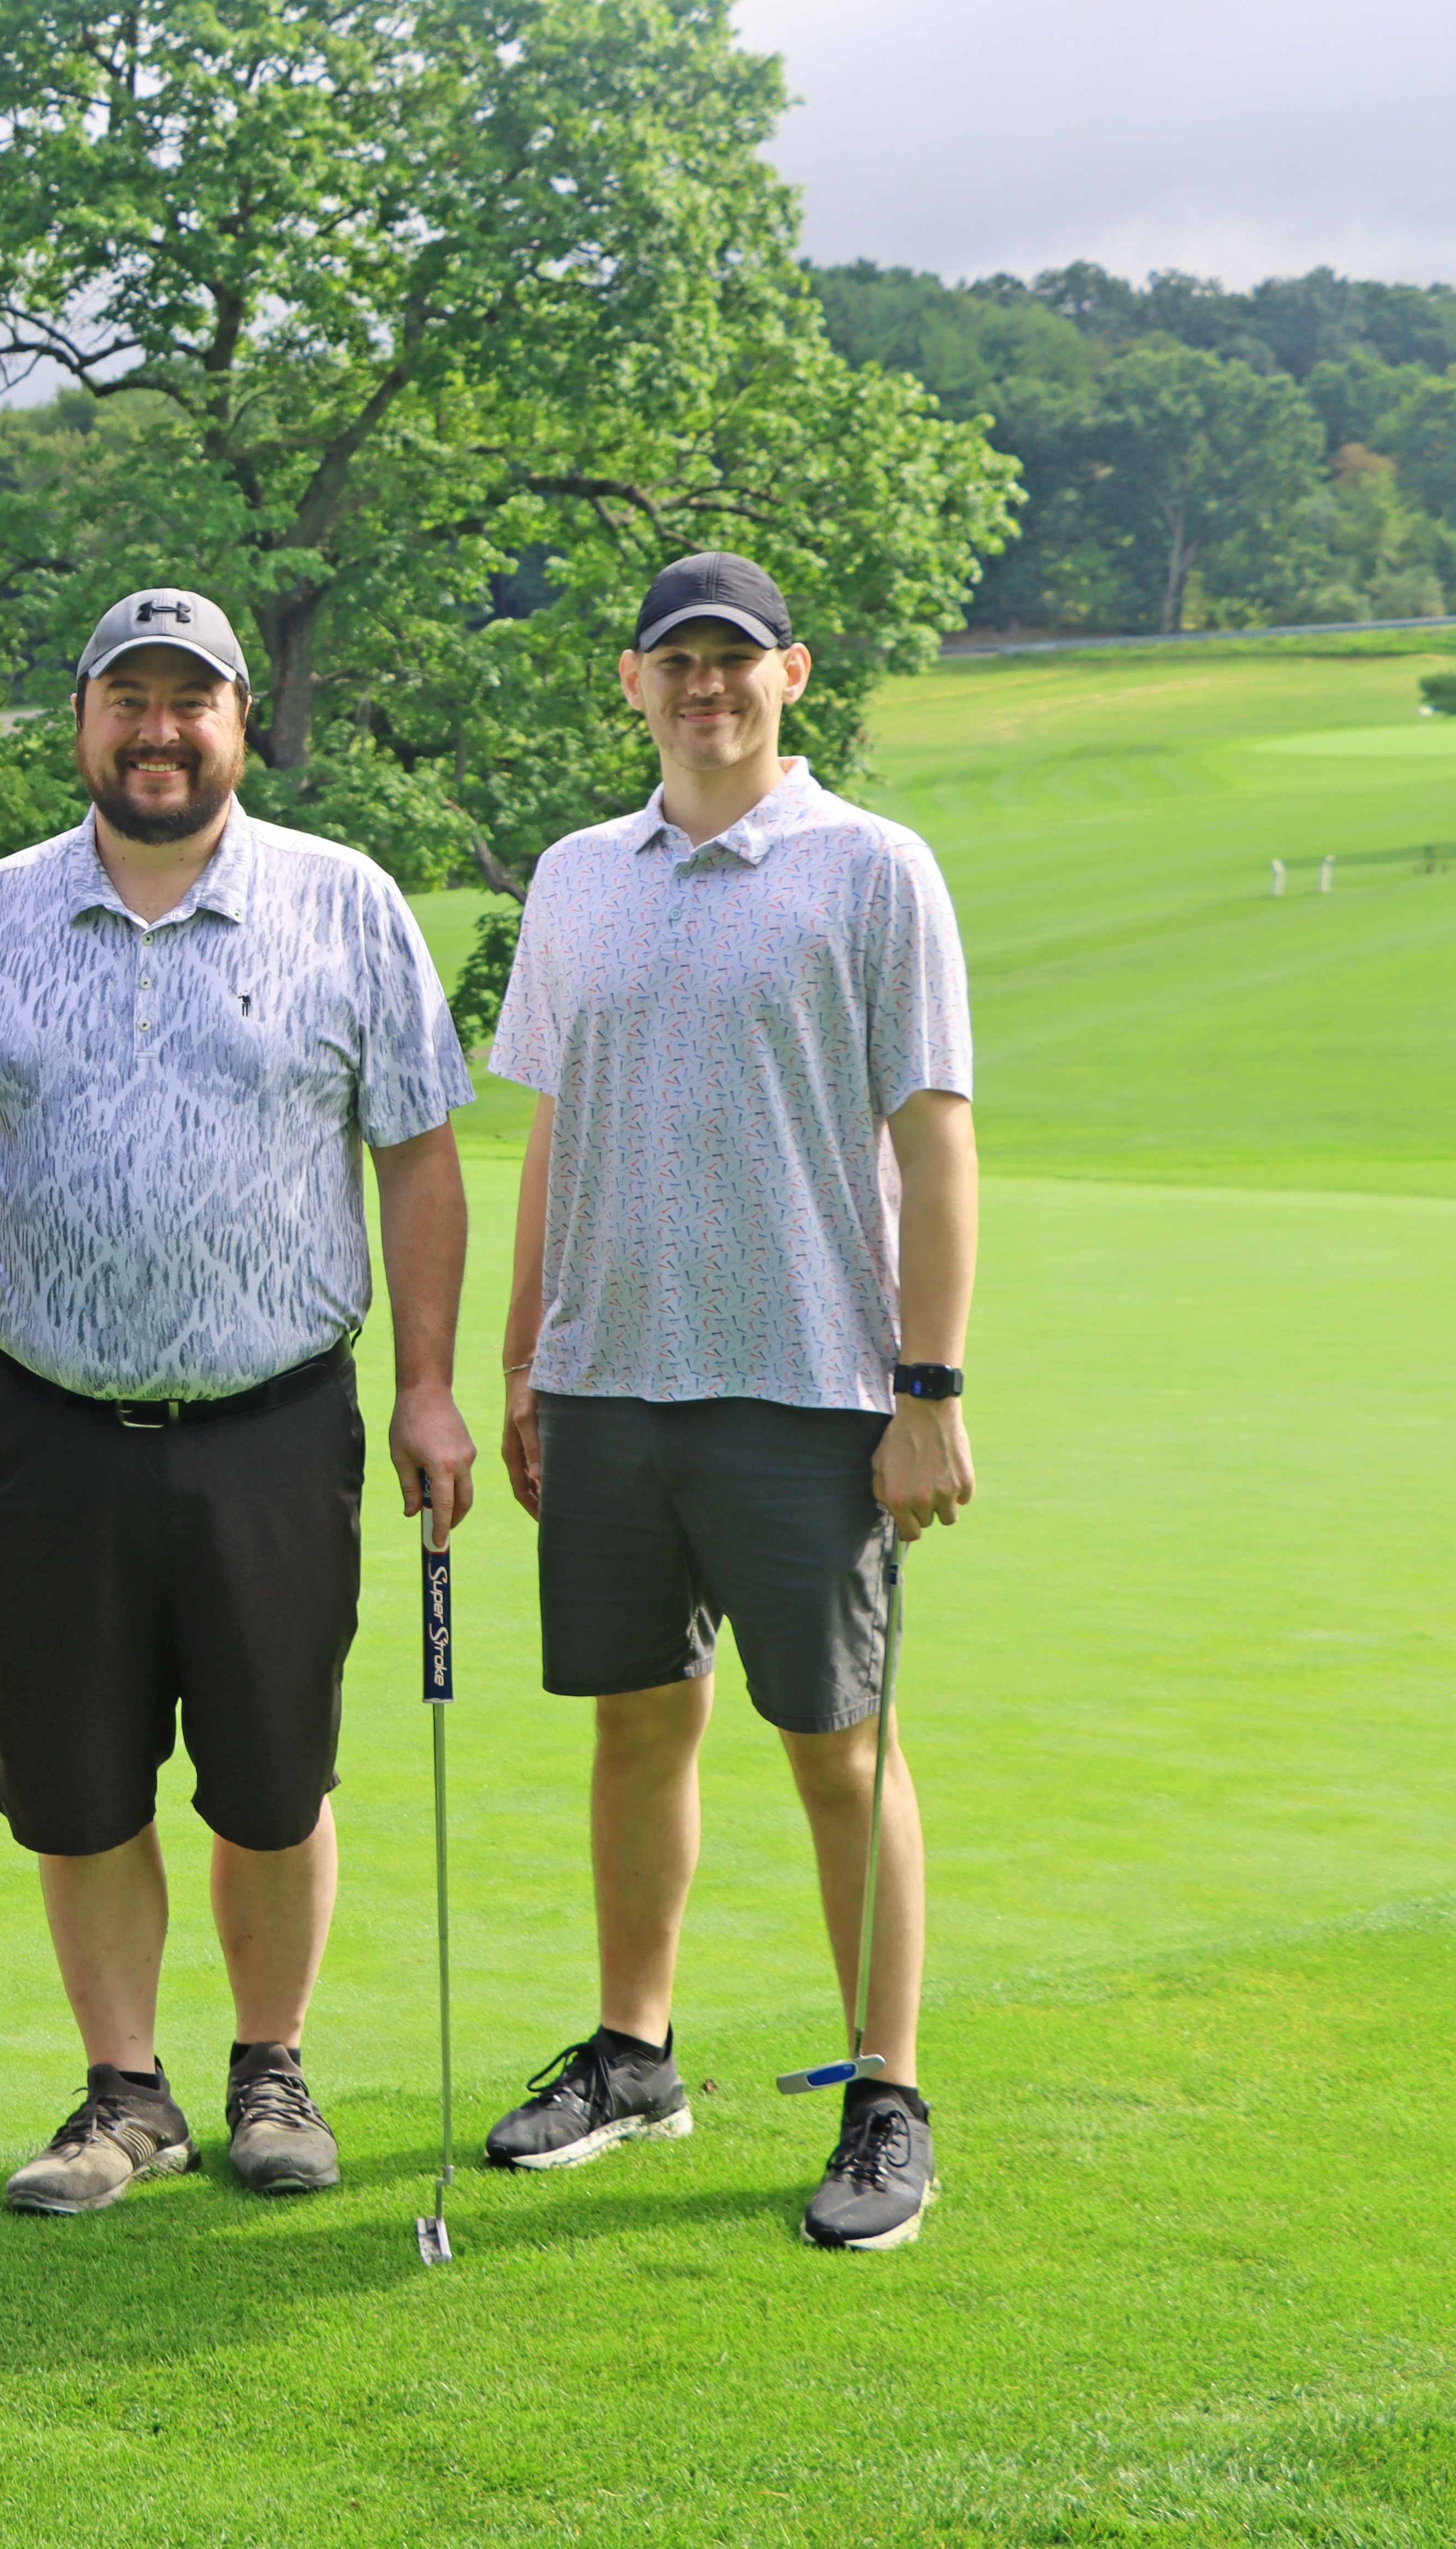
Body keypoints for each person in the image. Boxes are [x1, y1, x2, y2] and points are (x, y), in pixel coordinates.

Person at [0, 589, 480, 2214]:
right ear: (83, 718)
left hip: (276, 1425)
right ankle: (124, 2092)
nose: (159, 730)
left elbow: (420, 1152)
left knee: (273, 1779)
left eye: (191, 701)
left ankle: (271, 2068)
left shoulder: (346, 903)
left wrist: (430, 1388)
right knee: (77, 1787)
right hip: (52, 1432)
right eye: (127, 699)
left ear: (240, 720)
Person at [480, 550, 976, 2252]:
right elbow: (552, 1112)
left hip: (809, 1386)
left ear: (794, 675)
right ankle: (636, 2053)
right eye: (678, 660)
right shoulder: (574, 877)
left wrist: (929, 1387)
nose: (708, 686)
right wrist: (523, 1350)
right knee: (636, 1724)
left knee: (839, 1750)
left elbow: (935, 1132)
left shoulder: (872, 869)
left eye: (737, 660)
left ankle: (885, 2091)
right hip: (612, 1376)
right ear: (631, 682)